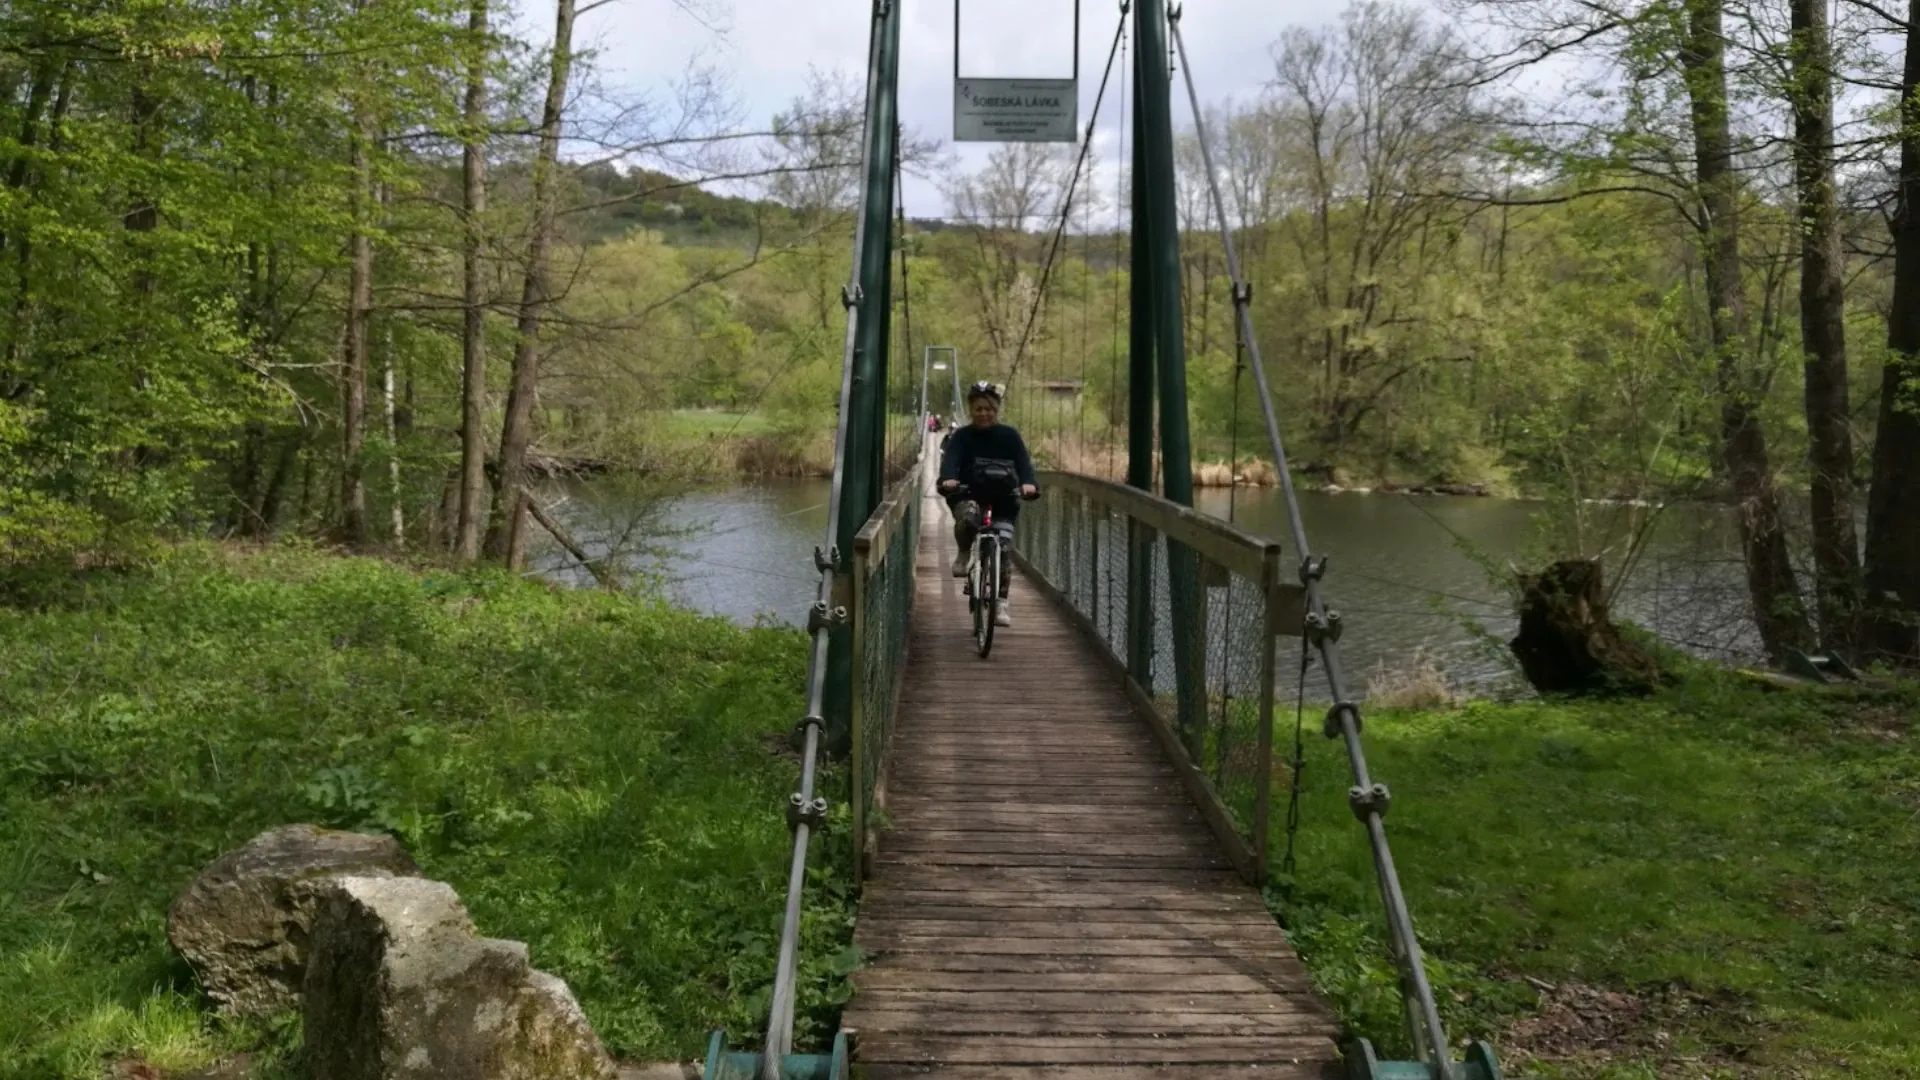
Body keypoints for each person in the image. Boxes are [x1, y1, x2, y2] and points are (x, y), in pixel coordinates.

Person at [938, 381, 1037, 627]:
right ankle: (964, 552)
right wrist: (948, 478)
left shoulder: (1010, 436)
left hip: (1003, 499)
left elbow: (1024, 464)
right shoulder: (961, 436)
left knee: (1003, 547)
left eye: (989, 409)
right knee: (969, 514)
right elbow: (951, 460)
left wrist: (1029, 483)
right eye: (979, 409)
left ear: (996, 410)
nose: (984, 413)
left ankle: (1001, 602)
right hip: (968, 493)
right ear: (971, 410)